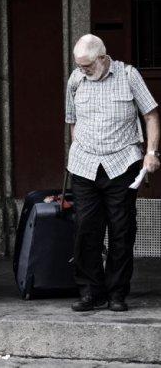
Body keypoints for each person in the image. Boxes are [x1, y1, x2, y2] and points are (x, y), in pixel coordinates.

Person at [65, 34, 160, 312]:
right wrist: (82, 148)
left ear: (103, 59)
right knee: (85, 229)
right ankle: (90, 292)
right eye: (79, 66)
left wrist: (151, 153)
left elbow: (151, 115)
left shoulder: (129, 76)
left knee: (121, 230)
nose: (83, 71)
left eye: (87, 66)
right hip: (84, 165)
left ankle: (117, 293)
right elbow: (72, 121)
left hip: (122, 163)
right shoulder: (75, 80)